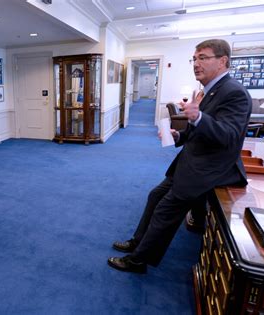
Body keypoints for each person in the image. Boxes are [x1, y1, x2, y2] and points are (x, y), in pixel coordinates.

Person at [108, 39, 252, 274]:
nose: (196, 63)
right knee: (155, 196)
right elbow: (200, 132)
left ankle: (138, 261)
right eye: (194, 59)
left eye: (203, 58)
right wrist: (179, 136)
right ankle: (138, 242)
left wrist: (197, 118)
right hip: (189, 163)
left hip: (207, 171)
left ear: (223, 60)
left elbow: (228, 136)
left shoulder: (234, 92)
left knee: (166, 211)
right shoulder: (209, 90)